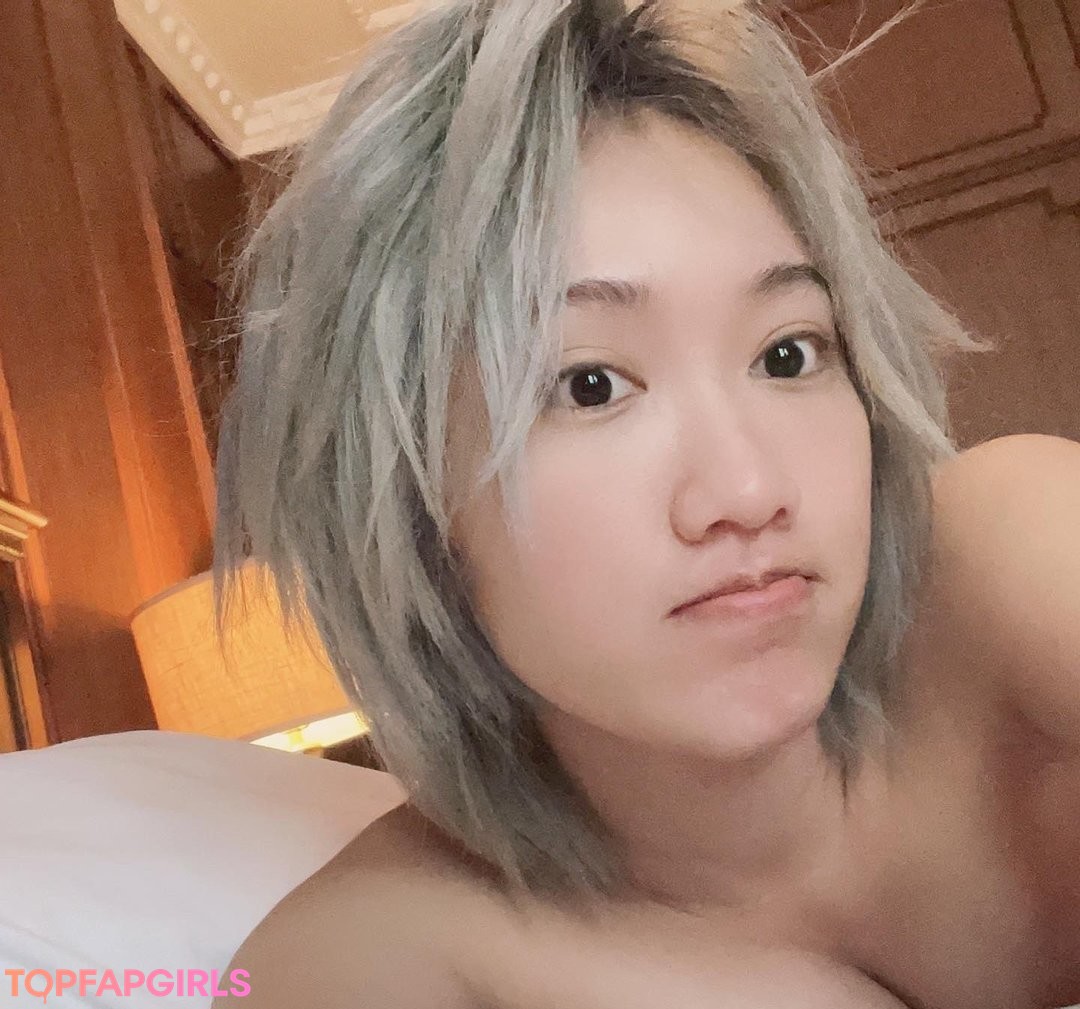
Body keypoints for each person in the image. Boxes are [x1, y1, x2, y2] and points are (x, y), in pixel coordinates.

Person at [210, 1, 1080, 1006]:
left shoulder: (1012, 549)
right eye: (590, 386)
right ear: (410, 504)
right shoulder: (364, 953)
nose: (748, 490)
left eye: (787, 353)